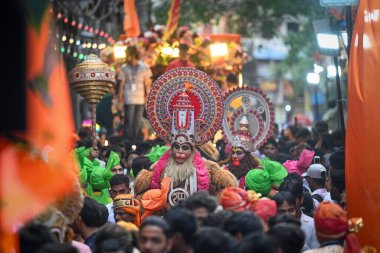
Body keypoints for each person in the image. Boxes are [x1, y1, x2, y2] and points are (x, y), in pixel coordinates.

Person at [134, 68, 237, 209]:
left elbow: (228, 189)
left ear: (193, 148)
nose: (180, 152)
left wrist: (210, 205)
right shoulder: (157, 168)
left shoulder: (208, 168)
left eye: (185, 147)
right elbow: (141, 196)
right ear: (171, 147)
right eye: (176, 147)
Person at [118, 45, 152, 142]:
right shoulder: (124, 67)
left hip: (140, 97)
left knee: (137, 120)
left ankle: (136, 139)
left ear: (132, 54)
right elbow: (121, 84)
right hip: (128, 97)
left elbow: (147, 83)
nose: (126, 57)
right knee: (128, 119)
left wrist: (148, 97)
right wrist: (120, 98)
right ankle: (128, 140)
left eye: (128, 54)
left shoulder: (144, 67)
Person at [279, 179, 320, 250]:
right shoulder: (273, 225)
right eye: (285, 199)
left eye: (293, 199)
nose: (288, 203)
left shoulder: (313, 225)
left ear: (301, 199)